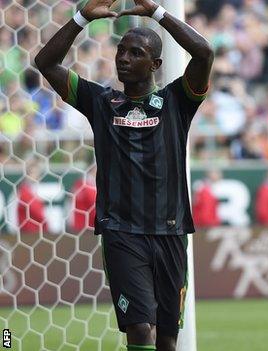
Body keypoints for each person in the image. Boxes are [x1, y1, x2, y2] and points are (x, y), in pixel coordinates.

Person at [34, 0, 213, 350]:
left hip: (171, 231)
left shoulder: (177, 101)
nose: (124, 58)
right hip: (122, 232)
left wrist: (156, 13)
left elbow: (204, 53)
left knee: (166, 339)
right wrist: (82, 17)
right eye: (121, 51)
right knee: (140, 329)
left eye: (135, 53)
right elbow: (46, 63)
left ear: (155, 64)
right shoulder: (101, 102)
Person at [70, 165, 97, 233]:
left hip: (78, 227)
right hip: (87, 230)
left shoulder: (79, 183)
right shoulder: (88, 187)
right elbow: (95, 212)